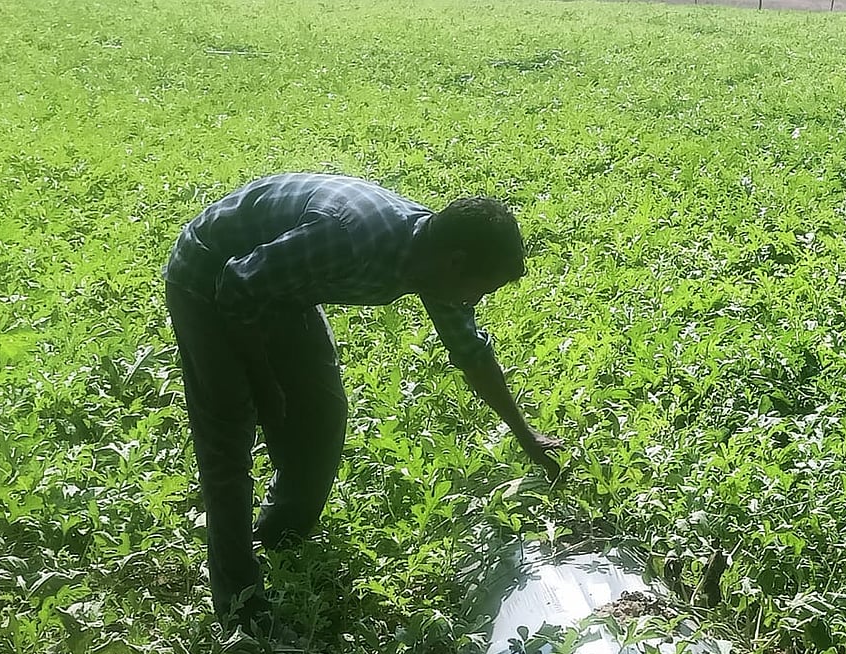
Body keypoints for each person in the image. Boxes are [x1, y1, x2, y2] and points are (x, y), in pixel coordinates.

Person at [163, 172, 563, 630]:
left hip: (281, 285)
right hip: (208, 275)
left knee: (322, 414)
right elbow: (237, 284)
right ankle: (242, 608)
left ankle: (280, 535)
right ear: (456, 263)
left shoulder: (432, 262)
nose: (474, 300)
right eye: (480, 289)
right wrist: (263, 381)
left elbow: (471, 352)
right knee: (229, 438)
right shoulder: (350, 238)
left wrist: (526, 435)